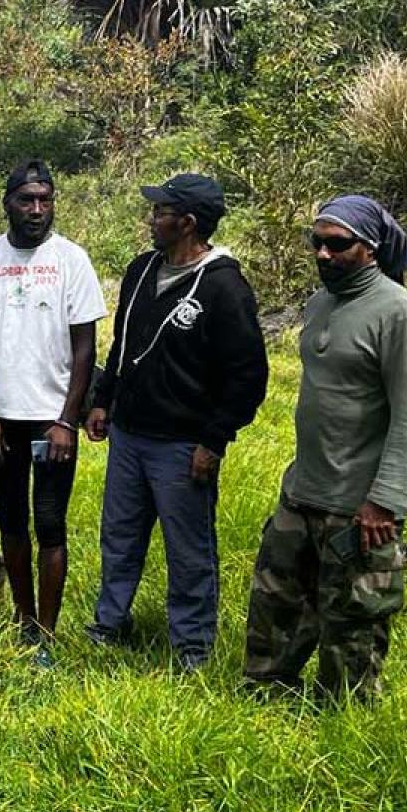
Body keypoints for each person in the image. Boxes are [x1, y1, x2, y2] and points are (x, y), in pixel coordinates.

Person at [244, 195, 407, 702]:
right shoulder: (320, 303)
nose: (324, 254)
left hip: (358, 505)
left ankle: (341, 715)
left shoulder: (400, 316)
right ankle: (266, 696)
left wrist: (386, 502)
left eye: (338, 244)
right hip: (302, 489)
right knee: (274, 600)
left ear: (369, 249)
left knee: (351, 620)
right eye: (317, 243)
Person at [84, 174, 269, 670]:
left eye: (161, 211)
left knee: (188, 548)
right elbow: (121, 343)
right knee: (119, 535)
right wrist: (103, 399)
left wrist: (214, 439)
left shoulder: (224, 286)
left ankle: (191, 645)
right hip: (129, 434)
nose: (152, 219)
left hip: (182, 445)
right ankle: (110, 622)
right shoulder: (142, 269)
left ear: (187, 223)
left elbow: (249, 375)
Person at [0, 160, 106, 666]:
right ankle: (23, 620)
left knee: (51, 522)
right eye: (27, 199)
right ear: (8, 203)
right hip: (1, 420)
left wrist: (67, 420)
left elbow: (85, 347)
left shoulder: (71, 261)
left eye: (45, 199)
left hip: (51, 421)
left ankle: (47, 630)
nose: (37, 209)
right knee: (10, 518)